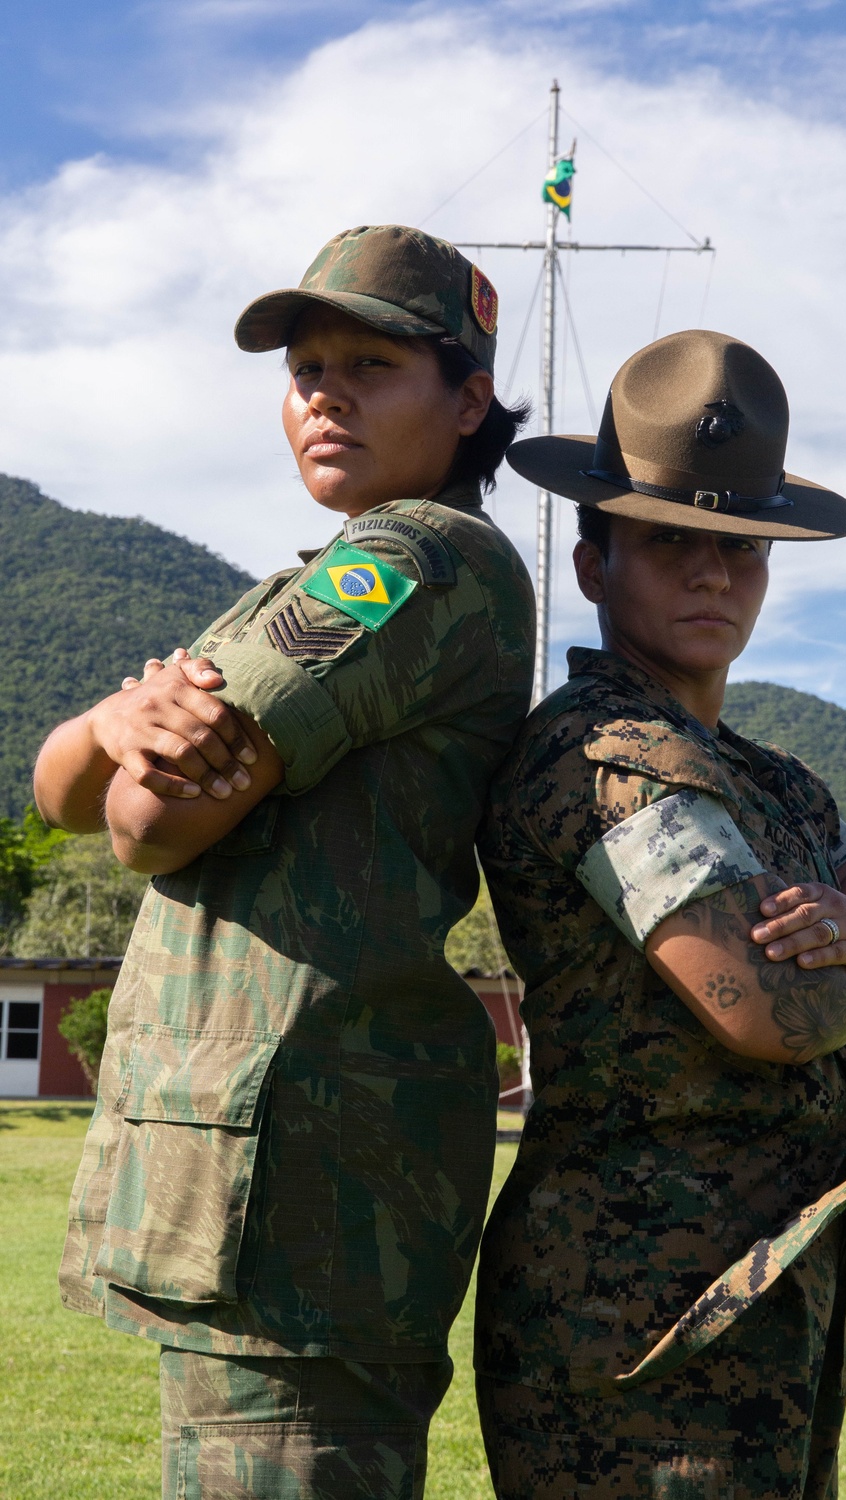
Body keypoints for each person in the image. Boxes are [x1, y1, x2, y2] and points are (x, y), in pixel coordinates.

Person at [36, 224, 535, 1500]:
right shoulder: (292, 584)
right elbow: (57, 791)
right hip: (262, 1183)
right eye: (305, 367)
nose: (322, 392)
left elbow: (145, 828)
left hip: (313, 1204)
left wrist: (125, 742)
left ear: (468, 397)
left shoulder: (412, 562)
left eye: (369, 363)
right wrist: (111, 723)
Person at [473, 330, 846, 1500]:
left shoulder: (776, 778)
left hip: (762, 1313)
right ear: (592, 566)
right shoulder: (607, 755)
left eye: (739, 547)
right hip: (636, 1341)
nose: (711, 573)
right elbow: (775, 1012)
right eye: (669, 542)